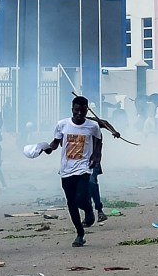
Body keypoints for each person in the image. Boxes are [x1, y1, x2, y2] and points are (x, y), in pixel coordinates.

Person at [41, 95, 111, 246]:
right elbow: (55, 143)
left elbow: (99, 139)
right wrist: (47, 148)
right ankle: (80, 233)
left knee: (80, 198)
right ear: (72, 109)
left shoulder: (92, 126)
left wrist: (96, 155)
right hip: (66, 169)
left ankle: (89, 211)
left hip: (83, 167)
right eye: (76, 110)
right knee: (71, 203)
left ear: (87, 110)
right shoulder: (62, 125)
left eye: (82, 111)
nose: (79, 114)